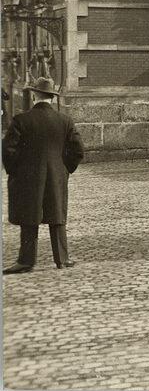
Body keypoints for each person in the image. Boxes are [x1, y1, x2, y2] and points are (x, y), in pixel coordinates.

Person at [2, 77, 84, 274]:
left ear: (34, 96)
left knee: (29, 217)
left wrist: (16, 171)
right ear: (52, 98)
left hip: (28, 178)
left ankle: (26, 261)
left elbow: (8, 150)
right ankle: (62, 259)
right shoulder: (64, 121)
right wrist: (65, 169)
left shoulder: (21, 120)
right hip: (57, 176)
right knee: (57, 216)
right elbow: (78, 150)